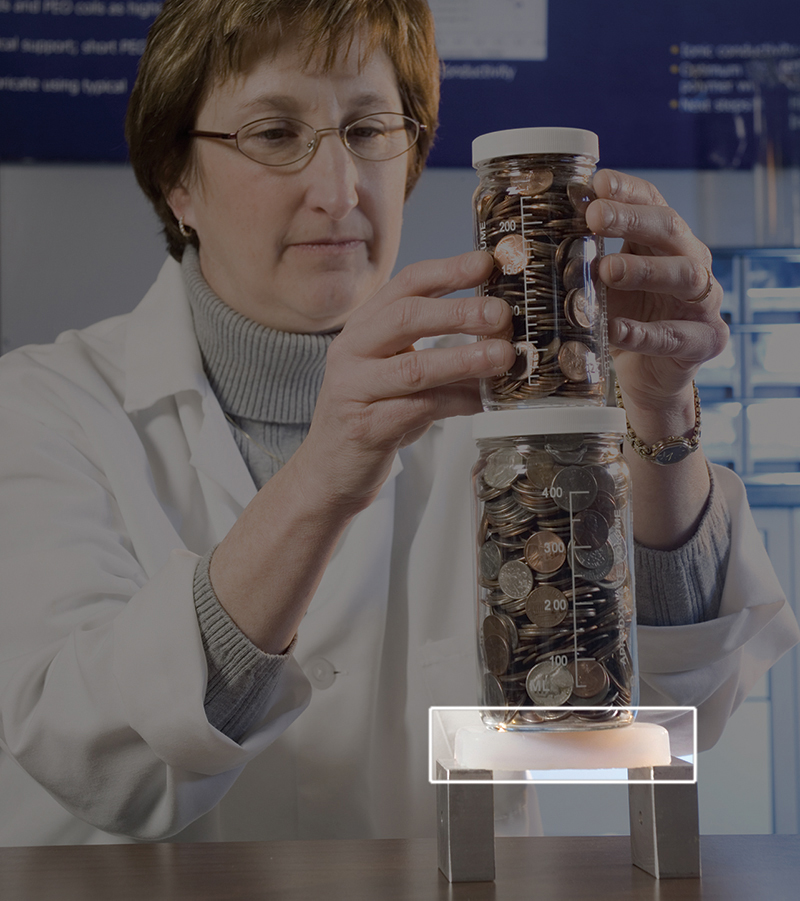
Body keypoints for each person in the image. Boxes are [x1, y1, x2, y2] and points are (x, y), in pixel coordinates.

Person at [0, 0, 797, 845]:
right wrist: (322, 475)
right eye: (274, 133)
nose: (339, 191)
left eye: (369, 130)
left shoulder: (518, 406)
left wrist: (662, 406)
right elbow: (89, 755)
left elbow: (674, 701)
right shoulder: (42, 407)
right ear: (178, 182)